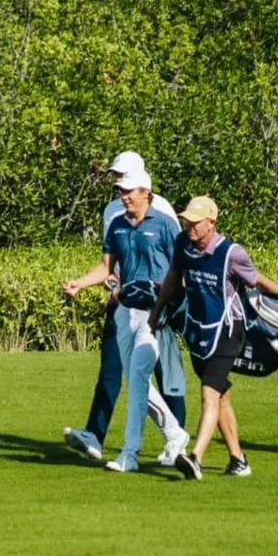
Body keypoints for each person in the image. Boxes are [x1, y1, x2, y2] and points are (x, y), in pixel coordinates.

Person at [149, 195, 278, 480]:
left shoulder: (232, 253)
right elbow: (172, 278)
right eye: (188, 221)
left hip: (229, 331)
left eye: (196, 222)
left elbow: (256, 279)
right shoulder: (183, 244)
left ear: (212, 222)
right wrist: (157, 313)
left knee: (209, 393)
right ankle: (238, 460)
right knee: (221, 396)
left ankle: (195, 458)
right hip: (198, 330)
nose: (190, 226)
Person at [62, 152, 185, 463]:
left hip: (159, 307)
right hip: (123, 303)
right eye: (117, 180)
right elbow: (109, 265)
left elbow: (179, 264)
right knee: (114, 371)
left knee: (166, 374)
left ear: (143, 185)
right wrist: (81, 282)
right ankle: (97, 437)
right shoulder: (113, 214)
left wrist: (177, 301)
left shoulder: (164, 213)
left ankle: (176, 439)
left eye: (125, 180)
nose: (119, 186)